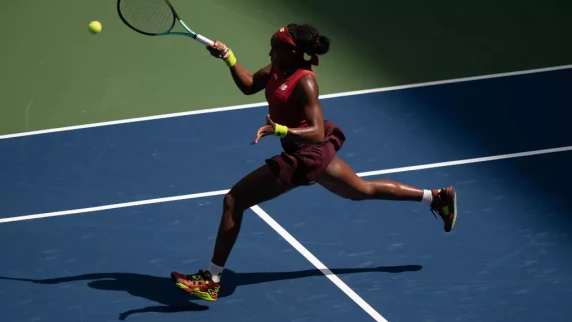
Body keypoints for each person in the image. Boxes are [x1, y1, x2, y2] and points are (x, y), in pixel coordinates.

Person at [170, 23, 457, 302]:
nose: (269, 52)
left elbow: (317, 131)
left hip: (305, 156)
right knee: (361, 190)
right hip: (311, 152)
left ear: (292, 52)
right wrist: (229, 58)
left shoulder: (305, 81)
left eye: (275, 47)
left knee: (234, 200)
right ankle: (435, 198)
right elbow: (249, 86)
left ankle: (212, 280)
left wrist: (280, 130)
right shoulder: (275, 69)